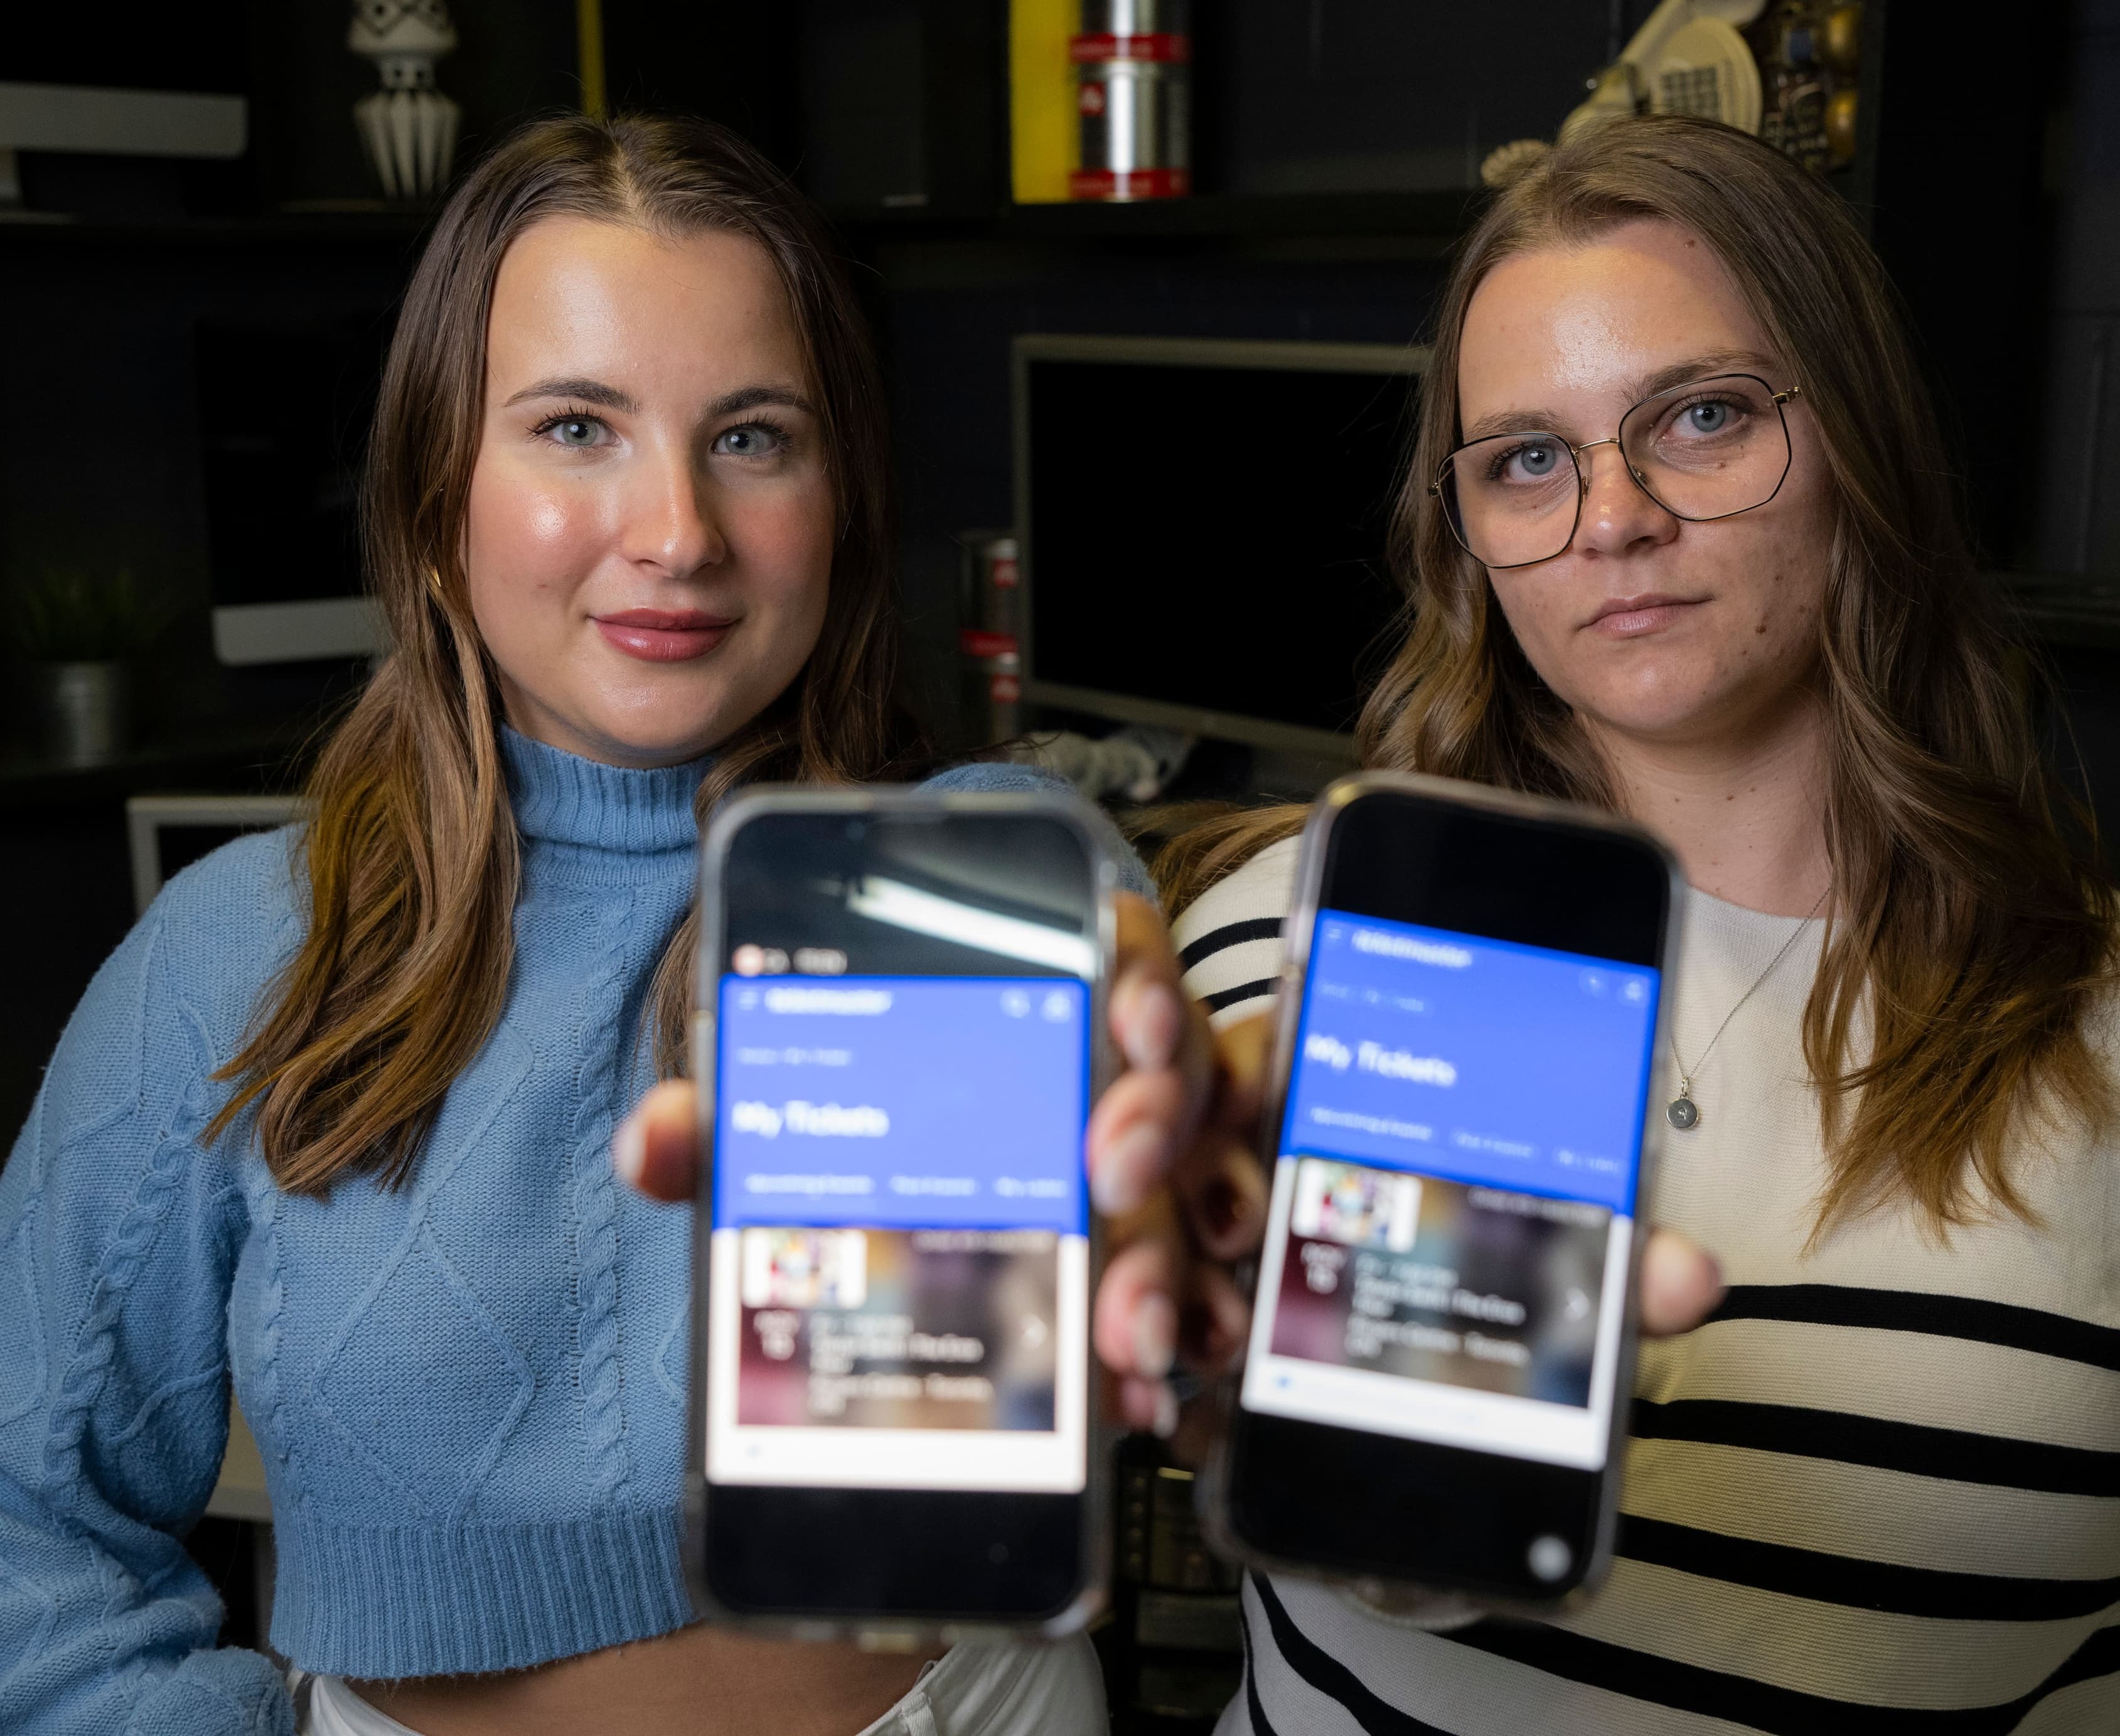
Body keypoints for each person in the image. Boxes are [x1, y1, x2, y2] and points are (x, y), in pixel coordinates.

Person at [1142, 115, 2120, 1731]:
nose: (1612, 519)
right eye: (1528, 458)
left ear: (1862, 442)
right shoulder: (1282, 958)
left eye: (1703, 418)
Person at [0, 111, 1219, 1736]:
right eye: (578, 426)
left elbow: (1138, 1175)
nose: (676, 532)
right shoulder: (233, 956)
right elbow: (25, 1512)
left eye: (752, 436)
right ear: (443, 492)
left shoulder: (982, 861)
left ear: (838, 492)